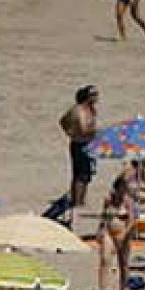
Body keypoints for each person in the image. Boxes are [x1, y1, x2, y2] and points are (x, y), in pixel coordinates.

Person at [60, 86, 100, 218]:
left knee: (86, 174)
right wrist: (72, 132)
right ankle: (77, 202)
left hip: (88, 143)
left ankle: (80, 200)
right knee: (80, 175)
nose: (96, 97)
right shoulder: (79, 110)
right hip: (80, 144)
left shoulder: (91, 109)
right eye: (94, 94)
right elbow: (79, 127)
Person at [96, 177, 135, 290]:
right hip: (108, 231)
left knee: (123, 262)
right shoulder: (108, 199)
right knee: (105, 259)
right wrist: (100, 229)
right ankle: (102, 288)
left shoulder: (128, 201)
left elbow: (132, 220)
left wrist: (125, 233)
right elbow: (103, 216)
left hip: (123, 232)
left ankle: (123, 288)